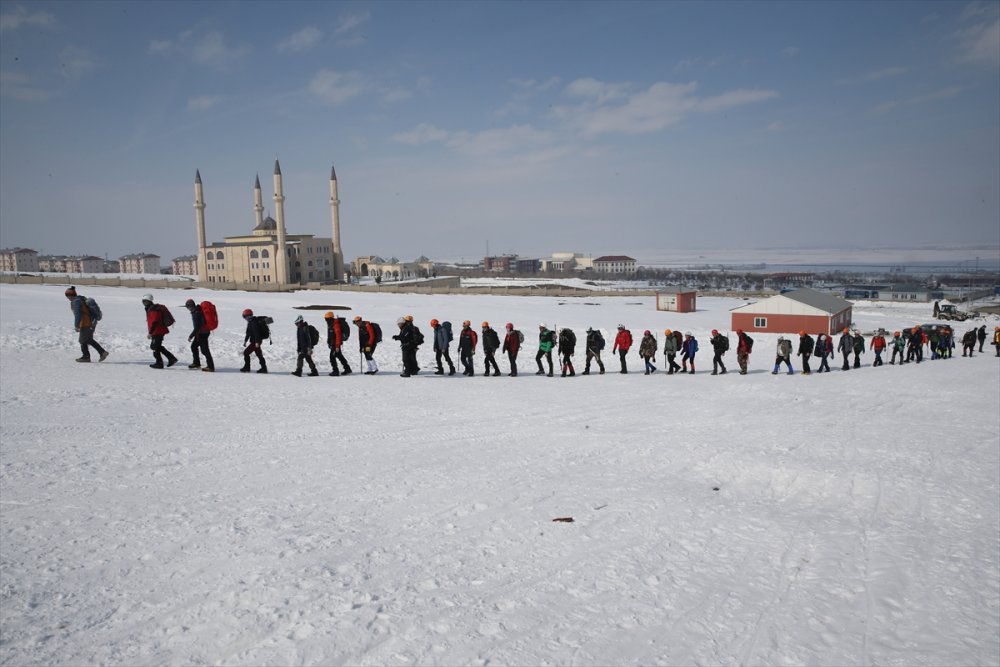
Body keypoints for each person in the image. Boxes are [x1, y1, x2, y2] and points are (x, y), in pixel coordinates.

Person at [65, 286, 108, 363]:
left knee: (82, 340)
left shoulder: (76, 301)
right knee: (88, 339)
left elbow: (78, 314)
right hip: (90, 322)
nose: (67, 298)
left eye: (67, 295)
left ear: (70, 295)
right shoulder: (81, 298)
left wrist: (76, 325)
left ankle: (86, 356)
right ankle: (102, 352)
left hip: (85, 323)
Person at [142, 293, 177, 369]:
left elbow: (155, 321)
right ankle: (168, 359)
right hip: (157, 330)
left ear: (150, 301)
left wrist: (150, 333)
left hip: (158, 331)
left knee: (155, 347)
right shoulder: (150, 308)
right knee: (156, 347)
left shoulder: (154, 309)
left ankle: (162, 362)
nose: (144, 303)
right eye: (143, 301)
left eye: (146, 301)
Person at [185, 298, 214, 372]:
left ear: (191, 306)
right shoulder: (198, 310)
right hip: (201, 333)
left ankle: (211, 367)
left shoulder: (196, 313)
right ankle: (196, 363)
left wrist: (190, 336)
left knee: (205, 350)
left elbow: (197, 327)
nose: (188, 309)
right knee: (194, 346)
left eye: (188, 307)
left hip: (203, 333)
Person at [324, 312, 352, 376]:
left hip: (336, 344)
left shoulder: (335, 324)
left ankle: (335, 371)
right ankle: (347, 369)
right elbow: (331, 335)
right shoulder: (331, 324)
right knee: (339, 356)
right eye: (325, 319)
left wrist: (337, 346)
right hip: (334, 344)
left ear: (330, 318)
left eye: (326, 319)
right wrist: (329, 342)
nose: (325, 320)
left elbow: (338, 336)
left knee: (332, 357)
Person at [241, 308, 268, 373]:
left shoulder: (253, 322)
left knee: (246, 353)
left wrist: (257, 342)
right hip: (256, 341)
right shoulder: (251, 322)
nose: (244, 318)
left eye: (244, 316)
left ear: (248, 316)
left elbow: (256, 333)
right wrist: (245, 341)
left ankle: (247, 367)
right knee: (259, 354)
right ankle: (264, 368)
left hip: (255, 341)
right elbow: (248, 332)